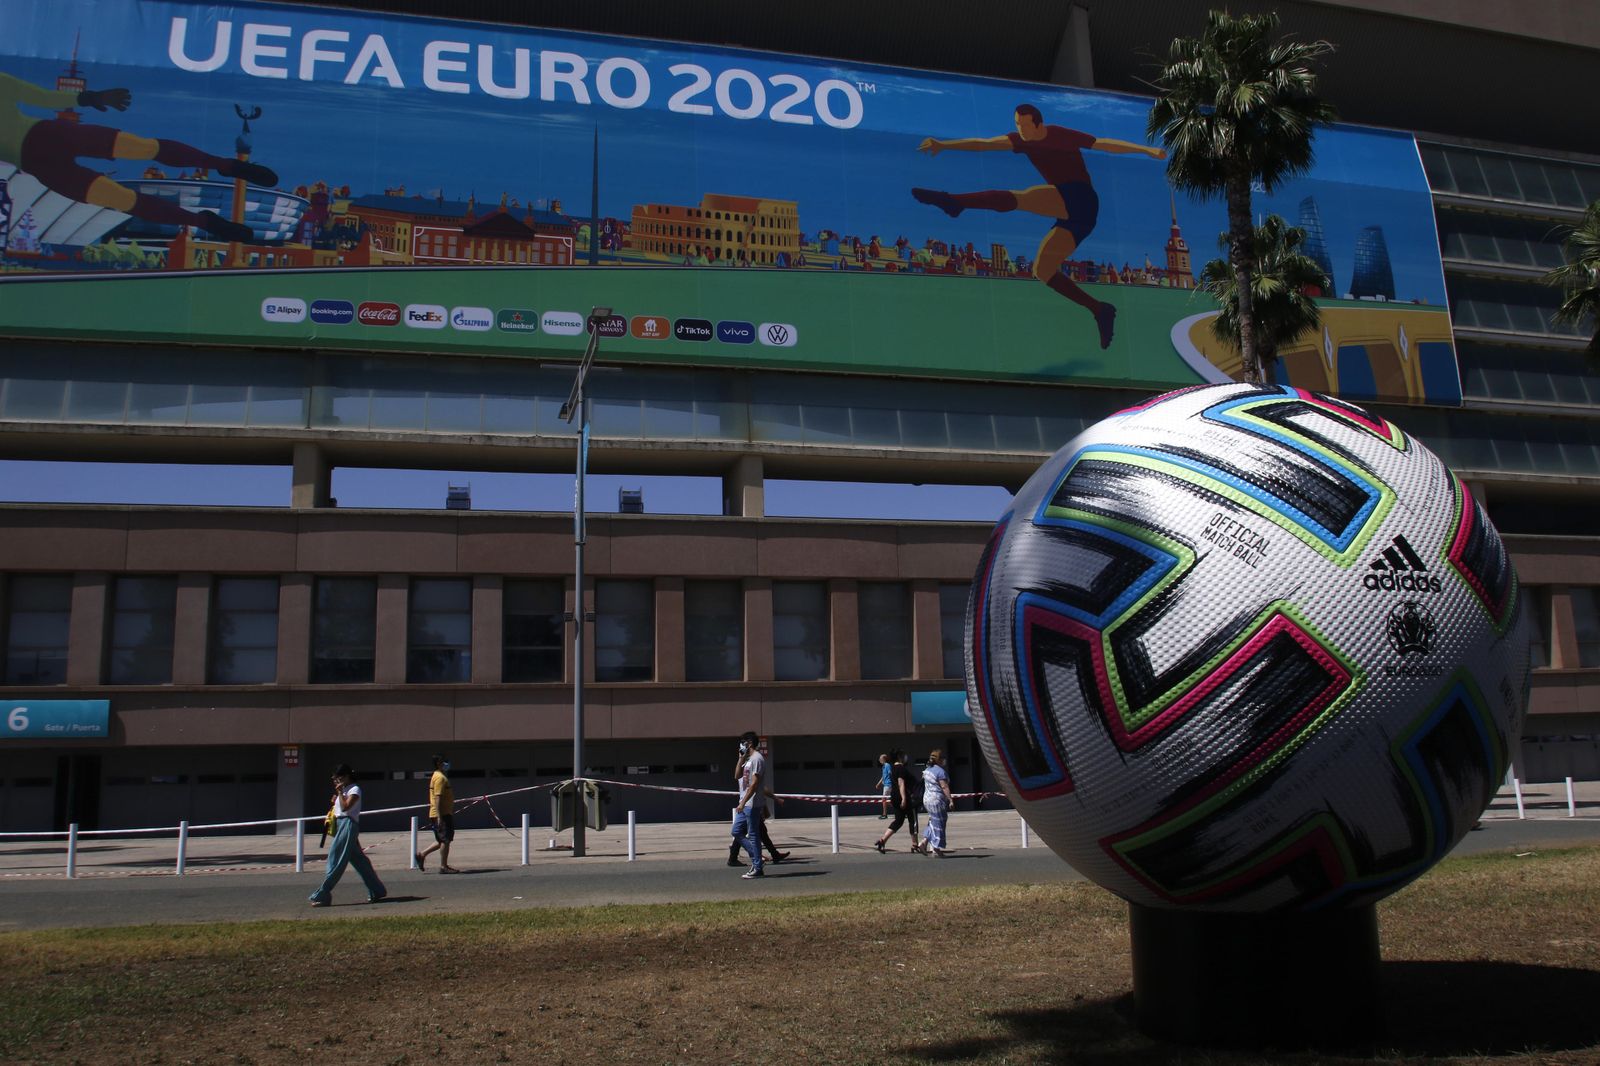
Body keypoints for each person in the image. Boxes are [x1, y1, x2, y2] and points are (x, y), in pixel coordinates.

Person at [911, 103, 1166, 350]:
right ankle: (1100, 309)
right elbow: (985, 144)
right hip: (1076, 218)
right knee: (1042, 270)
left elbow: (1105, 144)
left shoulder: (1059, 135)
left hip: (1082, 198)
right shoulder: (1022, 141)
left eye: (1024, 125)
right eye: (1017, 125)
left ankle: (955, 202)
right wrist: (943, 144)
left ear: (1038, 123)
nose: (1020, 130)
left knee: (1022, 198)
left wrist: (1146, 151)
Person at [0, 72, 276, 244]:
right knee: (122, 199)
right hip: (43, 166)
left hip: (49, 136)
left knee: (142, 148)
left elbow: (40, 96)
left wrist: (88, 98)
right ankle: (206, 222)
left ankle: (226, 165)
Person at [308, 764, 386, 906]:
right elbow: (339, 808)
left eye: (339, 777)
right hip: (342, 825)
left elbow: (346, 807)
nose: (336, 779)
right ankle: (377, 890)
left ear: (347, 776)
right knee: (360, 862)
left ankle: (323, 894)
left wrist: (339, 794)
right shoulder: (345, 790)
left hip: (348, 825)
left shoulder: (354, 790)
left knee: (336, 859)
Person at [727, 744, 791, 867]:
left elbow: (758, 787)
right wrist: (775, 798)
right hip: (749, 805)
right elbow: (756, 787)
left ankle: (772, 854)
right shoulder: (746, 767)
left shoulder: (747, 765)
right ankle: (752, 856)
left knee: (758, 831)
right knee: (743, 832)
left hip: (750, 803)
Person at [730, 731, 767, 879]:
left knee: (753, 835)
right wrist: (740, 758)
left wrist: (744, 802)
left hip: (752, 804)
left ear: (749, 743)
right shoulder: (748, 759)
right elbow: (737, 776)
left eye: (743, 742)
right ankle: (758, 859)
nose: (741, 744)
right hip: (743, 804)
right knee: (736, 832)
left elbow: (754, 784)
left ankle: (757, 867)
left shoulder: (757, 759)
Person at [416, 754, 459, 874]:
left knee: (442, 839)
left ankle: (422, 855)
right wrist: (440, 817)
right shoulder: (440, 778)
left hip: (442, 813)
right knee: (445, 840)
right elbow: (438, 798)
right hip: (442, 814)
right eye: (444, 762)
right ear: (438, 764)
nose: (446, 764)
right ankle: (443, 866)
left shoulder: (437, 776)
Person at [873, 749, 920, 853]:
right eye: (904, 756)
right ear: (900, 757)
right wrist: (904, 798)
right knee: (913, 820)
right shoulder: (901, 769)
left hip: (894, 797)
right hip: (904, 797)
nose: (905, 757)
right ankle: (915, 844)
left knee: (898, 821)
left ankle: (882, 840)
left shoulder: (892, 768)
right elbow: (901, 783)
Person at [919, 749, 955, 857]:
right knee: (940, 822)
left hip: (927, 799)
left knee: (933, 821)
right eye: (942, 758)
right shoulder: (940, 772)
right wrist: (950, 799)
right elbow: (944, 786)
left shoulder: (928, 770)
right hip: (936, 800)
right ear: (938, 760)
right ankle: (936, 848)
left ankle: (924, 842)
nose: (944, 760)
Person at [876, 752, 893, 818]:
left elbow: (890, 773)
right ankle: (900, 809)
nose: (879, 760)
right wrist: (878, 784)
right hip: (886, 785)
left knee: (884, 799)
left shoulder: (887, 765)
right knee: (887, 800)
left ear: (884, 759)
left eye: (880, 758)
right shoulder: (883, 767)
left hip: (888, 785)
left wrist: (891, 782)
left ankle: (884, 814)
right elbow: (883, 776)